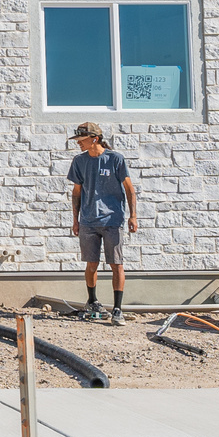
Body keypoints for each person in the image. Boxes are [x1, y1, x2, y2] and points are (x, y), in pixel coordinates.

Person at [66, 121, 137, 324]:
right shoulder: (79, 161)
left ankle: (117, 309)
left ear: (94, 138)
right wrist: (75, 220)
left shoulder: (115, 159)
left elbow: (129, 189)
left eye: (81, 139)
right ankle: (93, 300)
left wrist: (133, 216)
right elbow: (76, 192)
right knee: (91, 263)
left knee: (116, 263)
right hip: (88, 220)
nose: (78, 143)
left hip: (112, 219)